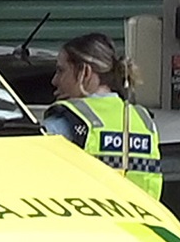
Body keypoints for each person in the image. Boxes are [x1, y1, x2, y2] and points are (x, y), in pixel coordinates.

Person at [42, 32, 163, 198]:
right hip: (139, 223)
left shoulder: (67, 122)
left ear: (85, 72)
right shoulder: (143, 122)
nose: (54, 80)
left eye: (61, 71)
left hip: (86, 223)